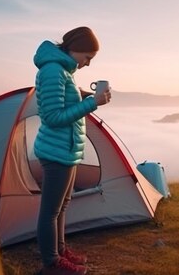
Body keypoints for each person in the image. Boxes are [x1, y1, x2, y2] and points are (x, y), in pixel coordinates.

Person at [33, 26, 111, 275]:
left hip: (66, 151)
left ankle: (61, 252)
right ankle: (51, 264)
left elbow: (64, 101)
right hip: (55, 152)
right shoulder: (53, 71)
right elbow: (53, 117)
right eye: (87, 57)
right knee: (50, 212)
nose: (87, 64)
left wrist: (85, 96)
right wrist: (91, 104)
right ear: (74, 48)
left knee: (62, 206)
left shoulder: (64, 71)